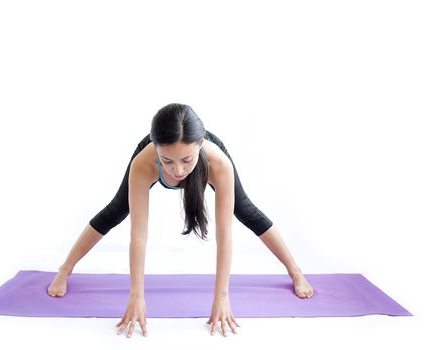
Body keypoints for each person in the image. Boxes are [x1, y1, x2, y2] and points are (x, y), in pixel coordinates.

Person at [47, 103, 314, 337]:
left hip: (210, 162)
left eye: (186, 160)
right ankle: (65, 269)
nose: (178, 170)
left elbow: (224, 236)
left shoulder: (218, 164)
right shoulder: (144, 163)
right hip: (154, 157)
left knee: (244, 209)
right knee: (117, 209)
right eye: (168, 161)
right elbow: (139, 236)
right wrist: (136, 296)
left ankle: (295, 271)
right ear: (155, 149)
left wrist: (222, 296)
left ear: (200, 144)